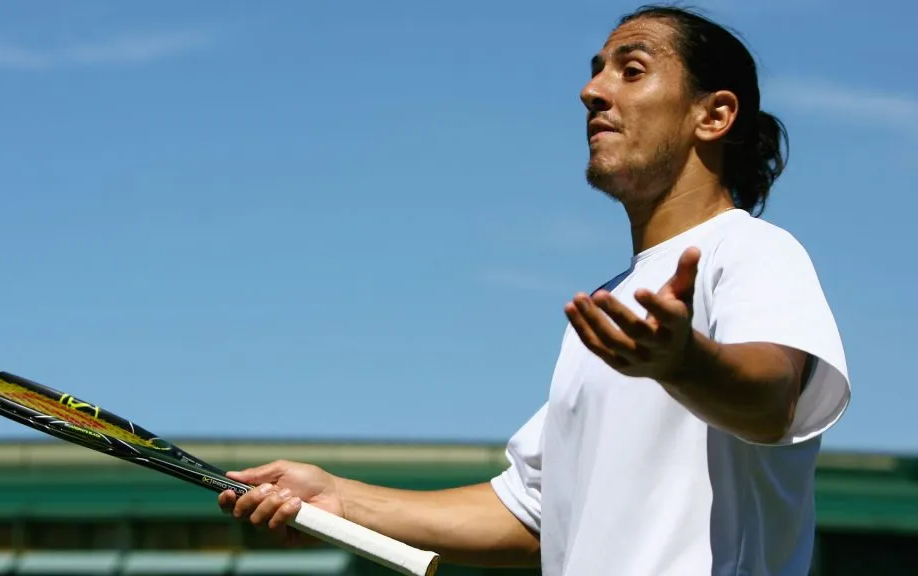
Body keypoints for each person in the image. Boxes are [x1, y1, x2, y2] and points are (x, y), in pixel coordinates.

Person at [217, 4, 851, 575]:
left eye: (631, 70)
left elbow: (773, 400)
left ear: (713, 115)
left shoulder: (749, 248)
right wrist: (338, 498)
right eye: (596, 70)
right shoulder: (615, 306)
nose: (591, 90)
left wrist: (685, 364)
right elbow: (532, 514)